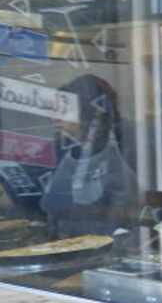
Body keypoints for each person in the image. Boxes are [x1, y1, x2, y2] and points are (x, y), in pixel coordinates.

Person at [40, 74, 138, 237]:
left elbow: (125, 208)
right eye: (53, 109)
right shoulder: (61, 148)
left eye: (64, 109)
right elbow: (50, 204)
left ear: (86, 110)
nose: (54, 117)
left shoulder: (123, 142)